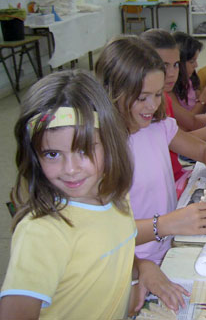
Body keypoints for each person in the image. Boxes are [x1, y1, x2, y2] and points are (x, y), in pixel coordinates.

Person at [0, 70, 176, 318]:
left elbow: (114, 245)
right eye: (52, 154)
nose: (70, 169)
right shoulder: (42, 232)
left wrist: (141, 268)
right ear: (34, 156)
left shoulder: (114, 195)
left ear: (109, 142)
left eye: (83, 150)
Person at [95, 36, 206, 268]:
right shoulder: (100, 148)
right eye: (142, 98)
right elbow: (105, 233)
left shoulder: (159, 127)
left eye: (159, 94)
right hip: (135, 262)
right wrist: (166, 224)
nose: (152, 106)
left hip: (172, 242)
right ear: (112, 93)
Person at [171, 31, 206, 113]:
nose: (196, 65)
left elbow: (202, 111)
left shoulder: (190, 80)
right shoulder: (170, 90)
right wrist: (204, 95)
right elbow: (189, 121)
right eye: (192, 61)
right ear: (178, 62)